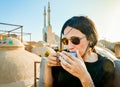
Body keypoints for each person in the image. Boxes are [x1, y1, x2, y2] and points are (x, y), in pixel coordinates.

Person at [43, 16, 115, 87]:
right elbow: (49, 85)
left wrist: (84, 77)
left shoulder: (106, 65)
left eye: (75, 40)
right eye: (65, 41)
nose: (69, 46)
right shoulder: (62, 58)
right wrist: (48, 66)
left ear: (91, 39)